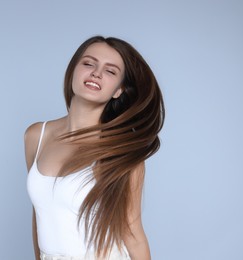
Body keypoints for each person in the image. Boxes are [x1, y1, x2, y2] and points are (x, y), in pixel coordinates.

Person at [25, 35, 164, 260]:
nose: (96, 73)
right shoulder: (36, 136)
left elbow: (133, 233)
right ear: (73, 71)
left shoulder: (121, 151)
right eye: (88, 63)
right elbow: (39, 211)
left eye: (110, 71)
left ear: (118, 90)